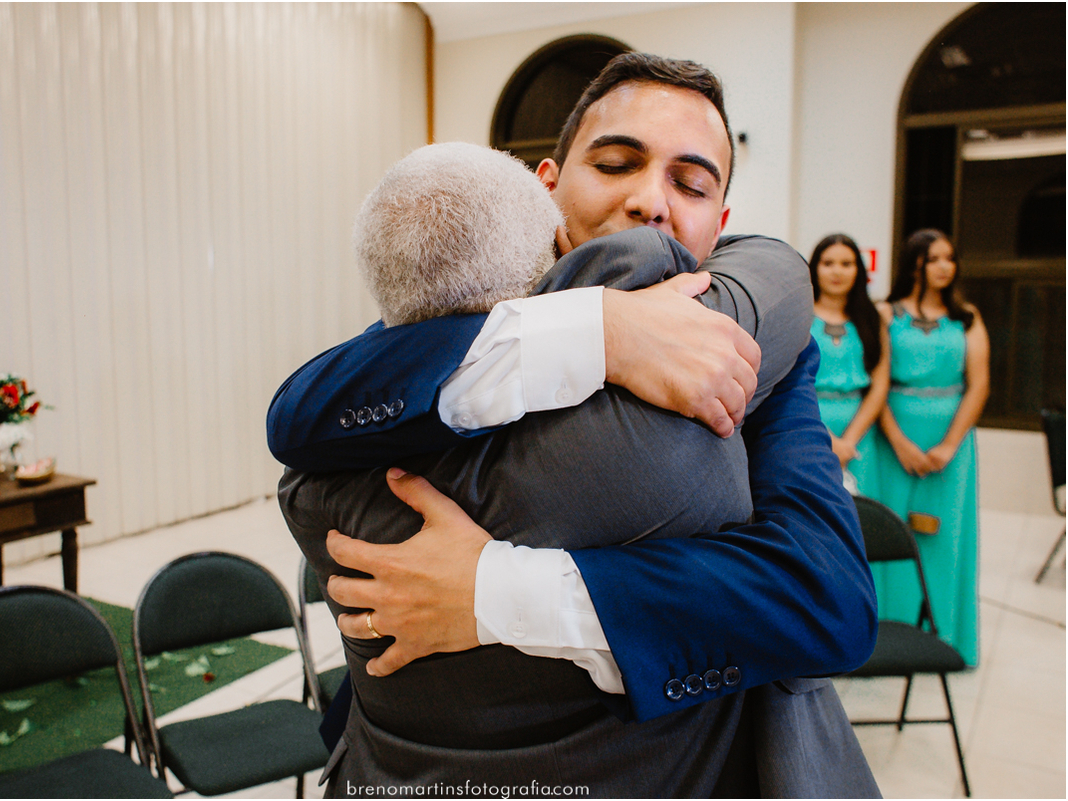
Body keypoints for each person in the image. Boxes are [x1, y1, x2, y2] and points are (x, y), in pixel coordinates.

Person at [268, 54, 878, 796]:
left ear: (720, 224)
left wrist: (497, 590)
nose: (649, 202)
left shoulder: (749, 352)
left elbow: (828, 599)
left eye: (690, 184)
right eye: (616, 164)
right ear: (546, 187)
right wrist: (598, 331)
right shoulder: (460, 316)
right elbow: (303, 410)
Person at [875, 229, 989, 666]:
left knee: (946, 534)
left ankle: (946, 636)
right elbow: (878, 382)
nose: (945, 266)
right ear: (914, 263)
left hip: (951, 444)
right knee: (891, 528)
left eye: (950, 258)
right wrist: (899, 442)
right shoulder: (887, 314)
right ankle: (888, 636)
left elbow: (979, 385)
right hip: (894, 439)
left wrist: (949, 446)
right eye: (934, 258)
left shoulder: (967, 317)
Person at [808, 233, 889, 496]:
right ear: (814, 267)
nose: (837, 271)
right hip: (808, 423)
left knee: (862, 511)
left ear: (859, 270)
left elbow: (879, 385)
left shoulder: (872, 319)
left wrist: (848, 442)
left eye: (846, 264)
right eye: (828, 263)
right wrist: (828, 439)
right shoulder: (799, 316)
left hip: (860, 433)